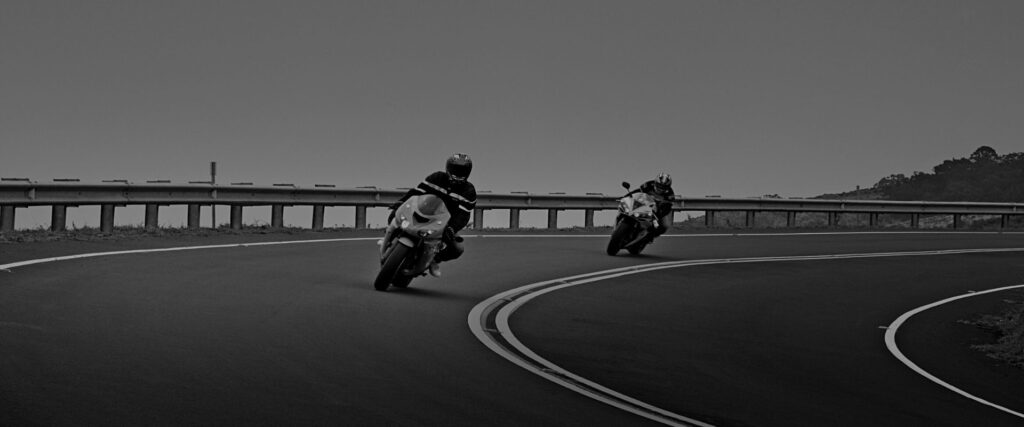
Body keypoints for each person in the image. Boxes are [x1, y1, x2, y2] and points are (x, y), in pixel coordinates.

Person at [389, 153, 477, 277]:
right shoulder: (437, 177)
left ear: (468, 172)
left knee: (457, 249)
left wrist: (452, 228)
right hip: (422, 212)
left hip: (444, 223)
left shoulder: (469, 191)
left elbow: (463, 215)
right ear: (448, 168)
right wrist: (401, 202)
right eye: (455, 169)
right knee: (395, 214)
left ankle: (434, 260)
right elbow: (416, 192)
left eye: (462, 171)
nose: (458, 173)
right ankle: (389, 239)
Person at [628, 172, 675, 243]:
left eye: (663, 187)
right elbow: (637, 191)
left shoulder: (670, 194)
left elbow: (668, 208)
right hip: (643, 205)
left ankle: (650, 237)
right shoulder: (648, 184)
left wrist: (659, 215)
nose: (660, 189)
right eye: (659, 186)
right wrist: (627, 196)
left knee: (664, 225)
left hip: (658, 212)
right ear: (655, 182)